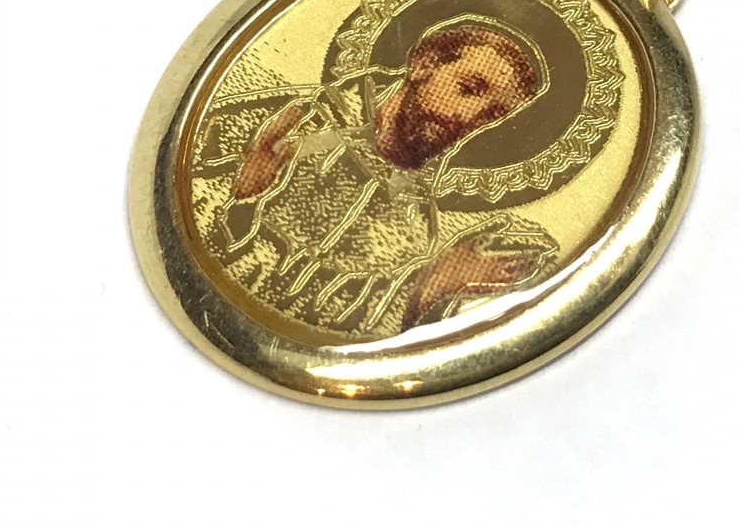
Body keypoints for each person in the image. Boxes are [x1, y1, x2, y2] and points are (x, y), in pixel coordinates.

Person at [206, 22, 558, 337]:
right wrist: (243, 195)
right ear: (423, 65)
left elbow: (357, 330)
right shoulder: (292, 123)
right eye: (468, 88)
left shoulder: (416, 225)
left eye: (493, 114)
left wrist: (430, 288)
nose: (467, 118)